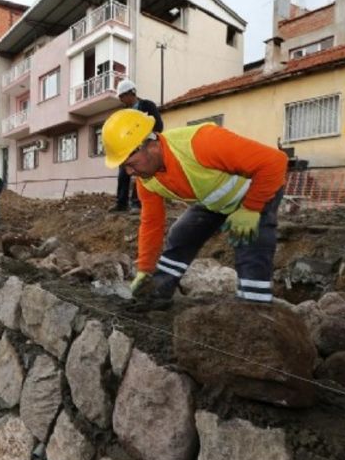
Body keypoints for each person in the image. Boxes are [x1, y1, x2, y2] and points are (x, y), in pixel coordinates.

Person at [102, 108, 288, 305]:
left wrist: (251, 208)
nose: (129, 172)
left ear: (150, 145)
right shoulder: (147, 180)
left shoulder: (201, 142)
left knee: (249, 239)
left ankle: (253, 307)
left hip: (256, 190)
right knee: (181, 233)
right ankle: (157, 289)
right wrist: (145, 269)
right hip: (214, 202)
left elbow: (275, 162)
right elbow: (151, 223)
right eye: (124, 167)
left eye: (130, 163)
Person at [110, 79, 163, 213]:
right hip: (130, 146)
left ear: (131, 93)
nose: (121, 99)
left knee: (140, 174)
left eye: (122, 96)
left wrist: (143, 134)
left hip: (145, 145)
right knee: (123, 173)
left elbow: (158, 126)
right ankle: (121, 204)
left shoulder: (147, 106)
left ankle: (136, 203)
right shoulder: (124, 112)